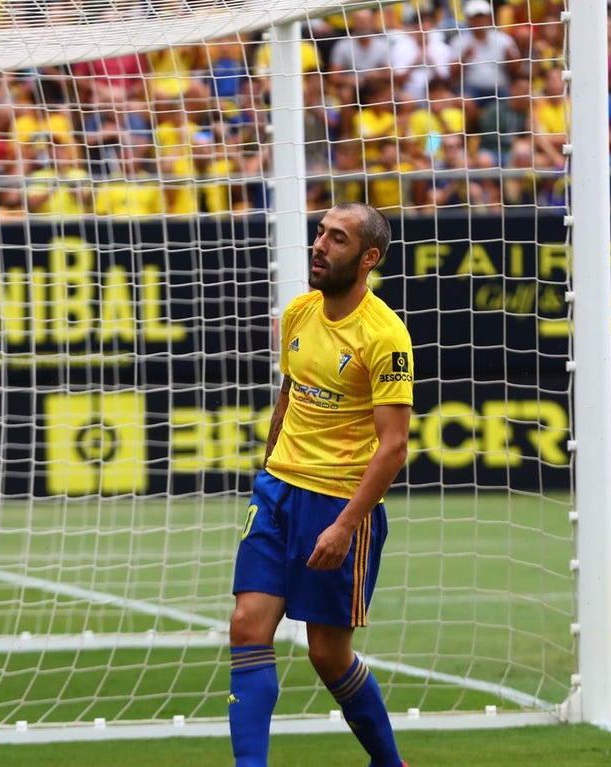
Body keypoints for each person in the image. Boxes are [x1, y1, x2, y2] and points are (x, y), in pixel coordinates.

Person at [228, 202, 413, 766]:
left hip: (338, 504)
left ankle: (389, 762)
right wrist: (268, 467)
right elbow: (290, 394)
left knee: (328, 656)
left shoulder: (386, 336)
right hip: (278, 491)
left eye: (336, 238)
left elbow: (394, 445)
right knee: (246, 627)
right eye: (320, 233)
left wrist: (344, 525)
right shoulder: (299, 313)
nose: (319, 245)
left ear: (368, 258)